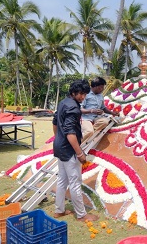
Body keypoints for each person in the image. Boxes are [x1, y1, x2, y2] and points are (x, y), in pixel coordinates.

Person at [52, 79, 99, 222]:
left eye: (84, 94)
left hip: (60, 146)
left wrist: (58, 138)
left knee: (62, 180)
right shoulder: (73, 108)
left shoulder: (63, 103)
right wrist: (80, 153)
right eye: (80, 94)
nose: (83, 97)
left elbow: (54, 123)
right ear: (73, 92)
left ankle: (59, 210)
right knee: (75, 181)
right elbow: (71, 134)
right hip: (69, 150)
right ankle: (81, 214)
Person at [81, 77, 119, 142]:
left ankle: (90, 135)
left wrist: (112, 113)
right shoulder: (86, 94)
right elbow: (80, 109)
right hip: (85, 118)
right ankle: (76, 146)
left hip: (96, 118)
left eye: (103, 87)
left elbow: (103, 108)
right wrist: (92, 111)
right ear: (95, 86)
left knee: (105, 122)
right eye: (100, 87)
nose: (102, 89)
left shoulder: (100, 96)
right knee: (89, 131)